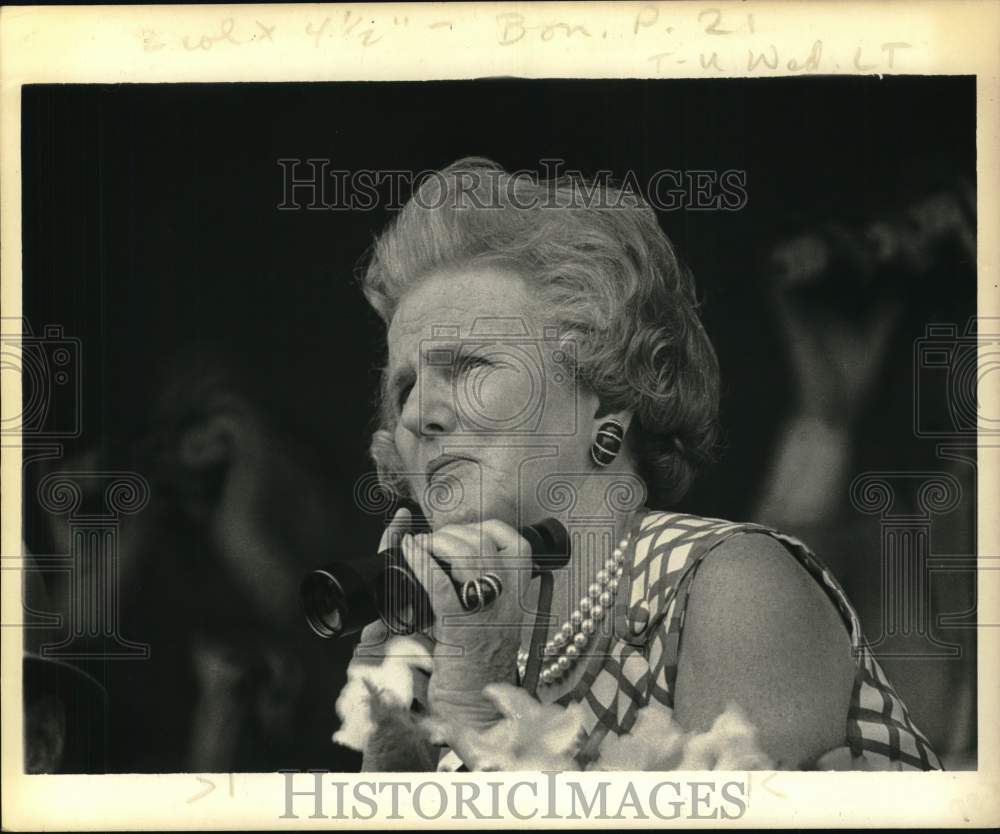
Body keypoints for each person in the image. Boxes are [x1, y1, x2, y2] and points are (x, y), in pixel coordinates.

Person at [340, 157, 941, 772]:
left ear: (605, 394)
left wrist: (477, 719)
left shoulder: (734, 586)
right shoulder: (465, 643)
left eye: (468, 367)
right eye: (404, 387)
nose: (416, 416)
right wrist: (393, 753)